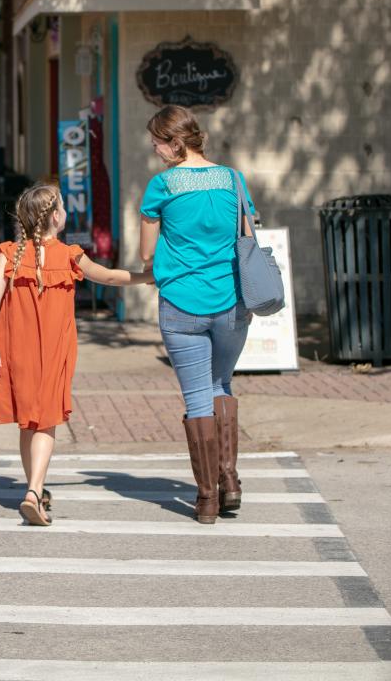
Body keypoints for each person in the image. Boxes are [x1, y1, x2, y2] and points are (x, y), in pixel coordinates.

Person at [0, 184, 150, 526]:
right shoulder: (69, 254)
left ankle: (36, 488)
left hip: (15, 346)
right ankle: (33, 490)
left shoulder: (8, 253)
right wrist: (148, 277)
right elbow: (109, 277)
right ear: (56, 217)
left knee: (29, 418)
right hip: (54, 347)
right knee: (47, 418)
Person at [138, 104, 257, 525]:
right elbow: (247, 235)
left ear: (174, 143)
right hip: (231, 303)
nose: (154, 150)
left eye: (156, 143)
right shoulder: (233, 180)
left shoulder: (162, 187)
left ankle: (207, 498)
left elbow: (147, 254)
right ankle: (230, 482)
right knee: (221, 383)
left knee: (196, 396)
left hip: (181, 304)